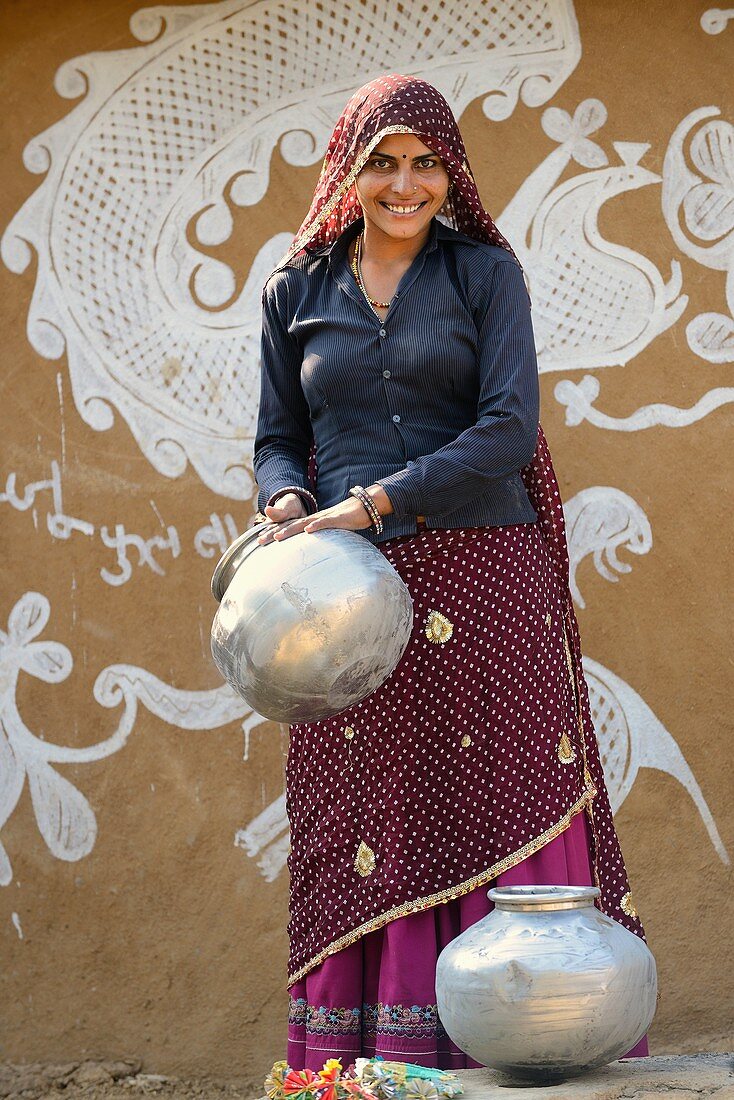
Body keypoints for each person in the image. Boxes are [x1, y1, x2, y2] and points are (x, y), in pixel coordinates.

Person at [252, 74, 647, 1071]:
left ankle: (519, 1048)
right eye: (381, 162)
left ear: (450, 172)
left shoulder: (482, 276)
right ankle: (367, 1067)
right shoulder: (294, 290)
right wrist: (287, 505)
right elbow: (275, 439)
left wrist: (375, 501)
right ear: (348, 171)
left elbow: (508, 429)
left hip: (480, 575)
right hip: (342, 604)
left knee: (500, 788)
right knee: (369, 807)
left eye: (424, 161)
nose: (403, 183)